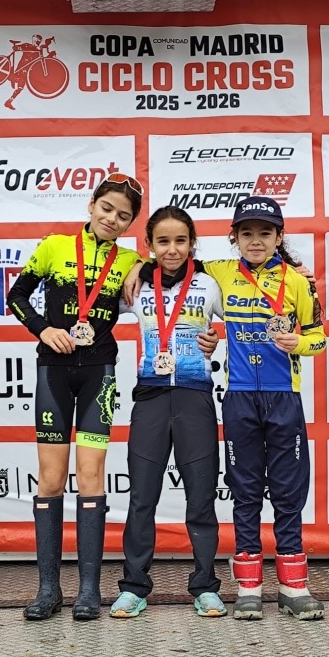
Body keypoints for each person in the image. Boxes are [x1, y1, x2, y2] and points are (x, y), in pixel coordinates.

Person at [7, 174, 145, 621]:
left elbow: (181, 269)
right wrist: (43, 329)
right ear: (91, 204)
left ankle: (88, 590)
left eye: (123, 216)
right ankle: (48, 589)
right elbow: (17, 296)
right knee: (50, 479)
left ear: (130, 224)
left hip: (98, 373)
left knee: (91, 476)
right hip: (54, 371)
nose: (112, 219)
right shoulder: (55, 246)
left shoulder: (130, 260)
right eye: (106, 208)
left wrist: (141, 268)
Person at [205, 196, 326, 620]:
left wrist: (299, 343)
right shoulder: (219, 272)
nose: (255, 241)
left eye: (265, 233)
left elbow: (319, 338)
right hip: (239, 396)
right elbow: (172, 267)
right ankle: (249, 587)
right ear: (234, 238)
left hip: (283, 396)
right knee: (245, 490)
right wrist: (137, 271)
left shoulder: (297, 281)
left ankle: (294, 587)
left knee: (289, 492)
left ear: (279, 237)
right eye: (247, 233)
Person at [110, 206, 227, 619]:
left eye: (180, 240)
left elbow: (247, 310)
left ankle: (205, 586)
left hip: (195, 398)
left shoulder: (209, 283)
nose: (172, 249)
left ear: (192, 243)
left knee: (201, 500)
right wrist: (135, 268)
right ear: (149, 245)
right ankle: (133, 587)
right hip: (151, 399)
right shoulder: (138, 283)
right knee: (142, 498)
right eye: (163, 241)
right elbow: (92, 292)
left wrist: (217, 338)